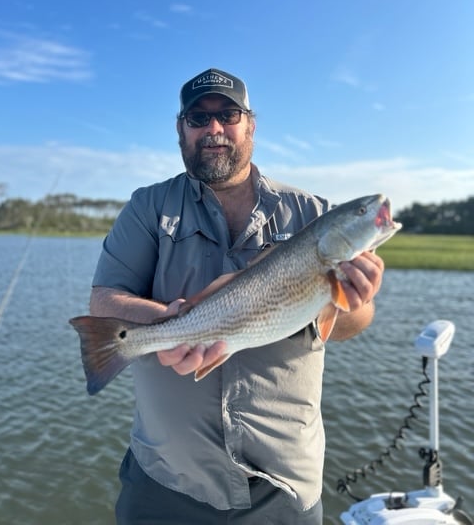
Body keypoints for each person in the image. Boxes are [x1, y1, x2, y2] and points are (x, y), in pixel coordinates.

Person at [90, 67, 385, 524]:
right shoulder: (148, 207)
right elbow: (105, 299)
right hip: (164, 481)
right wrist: (169, 325)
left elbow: (352, 323)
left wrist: (355, 299)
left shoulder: (313, 213)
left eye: (228, 115)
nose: (214, 130)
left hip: (283, 486)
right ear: (180, 130)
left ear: (250, 124)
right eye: (197, 118)